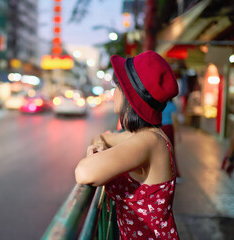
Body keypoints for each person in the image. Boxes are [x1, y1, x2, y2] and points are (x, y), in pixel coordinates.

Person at [75, 50, 180, 239]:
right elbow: (101, 137)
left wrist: (97, 155)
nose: (114, 92)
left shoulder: (147, 141)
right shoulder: (148, 136)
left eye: (117, 86)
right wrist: (100, 146)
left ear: (129, 95)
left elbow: (84, 172)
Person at [161, 99, 183, 181]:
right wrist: (179, 133)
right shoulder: (172, 105)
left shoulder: (160, 103)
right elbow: (174, 119)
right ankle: (175, 174)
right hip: (168, 128)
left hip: (160, 128)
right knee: (171, 150)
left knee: (162, 150)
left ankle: (164, 173)